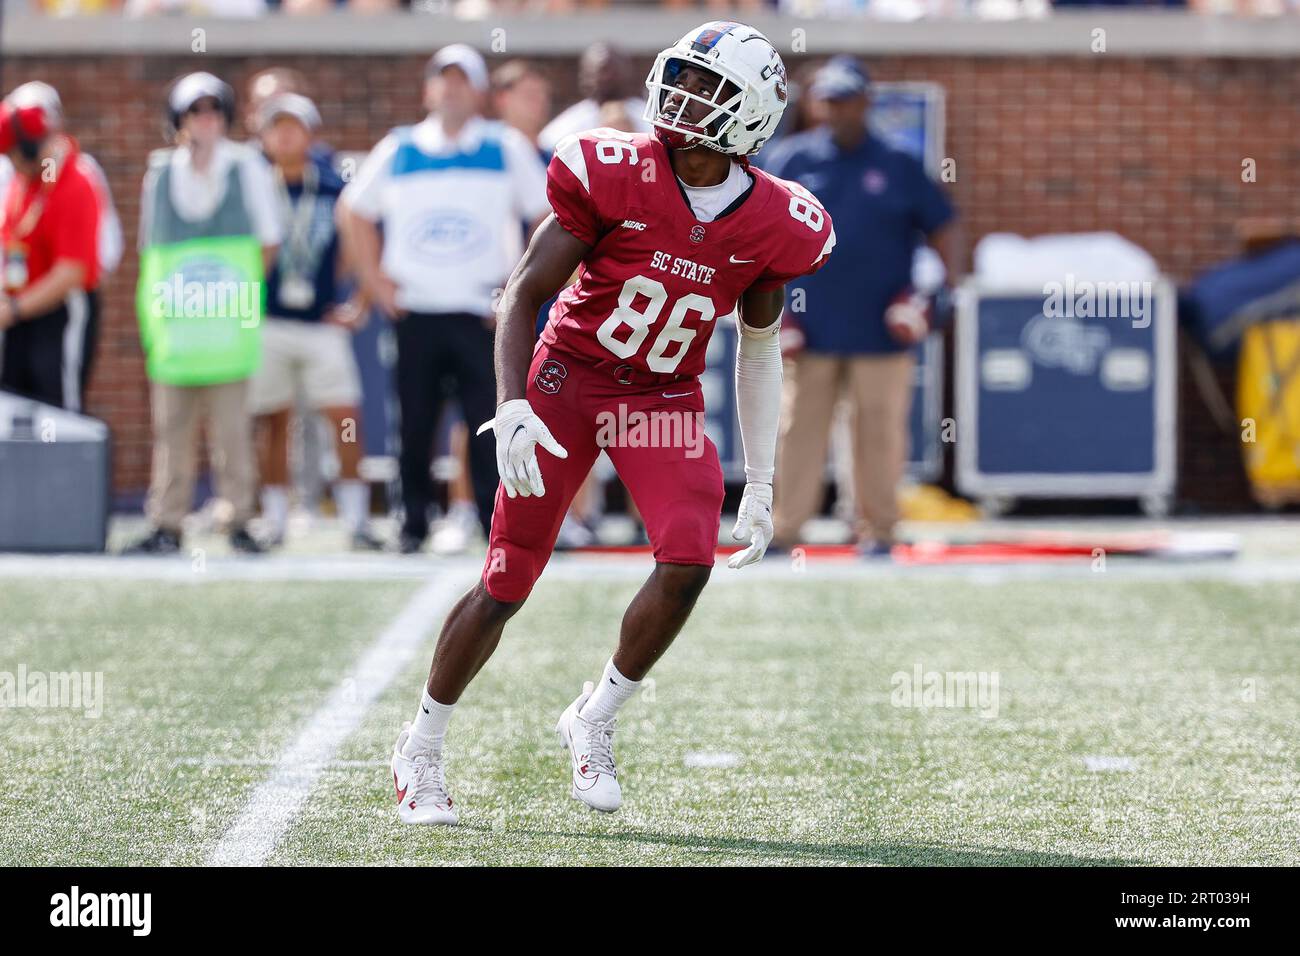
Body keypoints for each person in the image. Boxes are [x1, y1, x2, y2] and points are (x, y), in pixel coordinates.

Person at [388, 21, 835, 824]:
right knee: (509, 575)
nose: (684, 97)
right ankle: (420, 745)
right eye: (684, 78)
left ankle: (594, 717)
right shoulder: (614, 168)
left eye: (709, 88)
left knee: (690, 557)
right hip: (566, 380)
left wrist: (761, 480)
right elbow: (523, 293)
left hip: (659, 398)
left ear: (753, 115)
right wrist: (514, 403)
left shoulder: (777, 221)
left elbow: (759, 351)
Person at [339, 44, 549, 555]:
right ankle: (412, 525)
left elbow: (546, 214)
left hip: (483, 313)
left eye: (461, 80)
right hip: (416, 311)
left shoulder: (505, 147)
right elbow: (353, 211)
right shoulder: (399, 147)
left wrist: (518, 288)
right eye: (443, 79)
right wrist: (376, 281)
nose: (451, 89)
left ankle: (491, 524)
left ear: (478, 91)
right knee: (414, 426)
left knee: (489, 423)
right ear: (428, 88)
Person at [763, 57, 958, 555]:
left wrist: (937, 294)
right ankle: (787, 530)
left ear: (867, 101)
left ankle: (879, 530)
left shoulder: (898, 162)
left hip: (881, 328)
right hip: (810, 325)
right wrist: (770, 309)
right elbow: (759, 237)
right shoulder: (791, 159)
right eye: (828, 99)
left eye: (846, 99)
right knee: (798, 430)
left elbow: (943, 228)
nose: (837, 110)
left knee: (878, 432)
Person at [125, 72, 282, 556]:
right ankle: (167, 523)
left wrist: (234, 297)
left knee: (234, 434)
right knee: (170, 435)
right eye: (196, 111)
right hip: (178, 331)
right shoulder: (161, 173)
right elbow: (150, 253)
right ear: (180, 120)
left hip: (226, 331)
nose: (206, 120)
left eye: (214, 110)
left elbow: (269, 243)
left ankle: (238, 519)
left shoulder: (247, 167)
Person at [249, 93, 381, 551]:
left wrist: (362, 297)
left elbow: (363, 238)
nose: (286, 135)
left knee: (345, 418)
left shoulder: (330, 186)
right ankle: (275, 519)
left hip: (322, 322)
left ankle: (356, 520)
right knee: (272, 421)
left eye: (295, 126)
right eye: (277, 127)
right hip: (270, 320)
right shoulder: (253, 187)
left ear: (311, 134)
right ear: (263, 136)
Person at [0, 102, 100, 413]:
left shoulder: (74, 183)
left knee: (58, 417)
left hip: (60, 315)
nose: (11, 165)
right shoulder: (25, 184)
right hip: (22, 315)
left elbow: (70, 273)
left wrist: (14, 310)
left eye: (13, 155)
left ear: (28, 149)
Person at [537, 42, 650, 153]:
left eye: (613, 70)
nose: (607, 78)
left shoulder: (648, 117)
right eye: (602, 71)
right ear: (584, 76)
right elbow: (547, 147)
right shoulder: (570, 124)